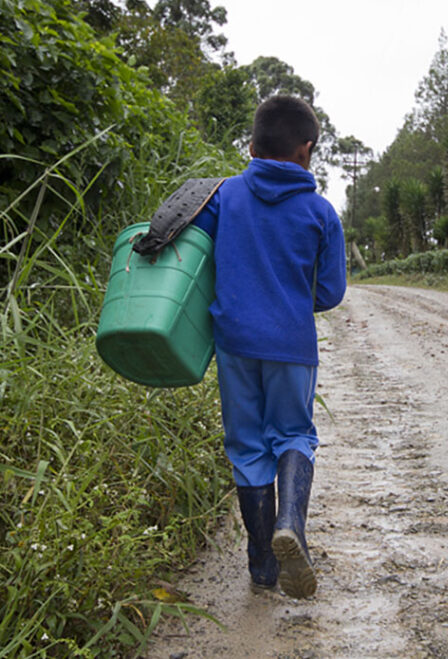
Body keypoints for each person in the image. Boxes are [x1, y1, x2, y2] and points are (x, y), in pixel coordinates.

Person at [193, 95, 346, 598]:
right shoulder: (321, 213)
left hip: (234, 342)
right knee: (294, 434)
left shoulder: (224, 197)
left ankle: (262, 564)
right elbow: (330, 293)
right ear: (307, 151)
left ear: (252, 145)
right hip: (292, 346)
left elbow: (194, 256)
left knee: (247, 446)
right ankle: (291, 526)